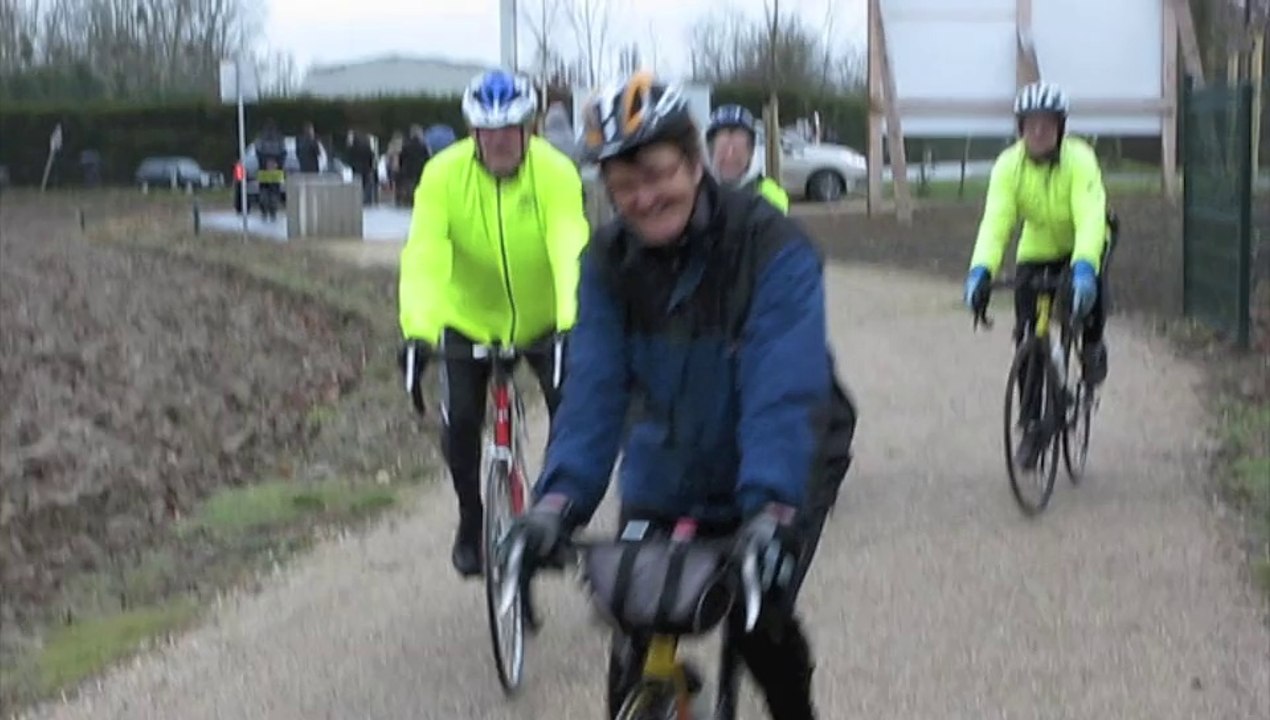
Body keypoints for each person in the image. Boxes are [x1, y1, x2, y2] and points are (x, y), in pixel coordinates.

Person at [512, 71, 855, 720]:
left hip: (789, 446)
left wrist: (771, 511)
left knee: (758, 619)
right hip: (670, 450)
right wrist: (556, 505)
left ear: (696, 164)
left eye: (658, 173)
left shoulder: (770, 246)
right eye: (624, 185)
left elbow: (780, 388)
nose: (644, 198)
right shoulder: (605, 263)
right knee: (635, 631)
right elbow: (592, 389)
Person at [397, 69, 589, 577]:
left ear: (530, 129)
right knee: (460, 420)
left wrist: (573, 321)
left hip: (544, 318)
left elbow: (569, 246)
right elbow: (425, 256)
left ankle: (555, 517)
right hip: (470, 320)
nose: (500, 140)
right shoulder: (442, 175)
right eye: (487, 130)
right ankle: (470, 517)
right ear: (472, 133)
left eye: (511, 129)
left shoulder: (555, 173)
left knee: (574, 416)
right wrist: (417, 331)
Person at [963, 81, 1112, 470]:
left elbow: (1090, 216)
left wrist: (1084, 269)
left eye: (1047, 124)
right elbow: (996, 223)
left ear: (1060, 127)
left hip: (1082, 240)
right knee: (1029, 336)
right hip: (1038, 248)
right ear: (1020, 128)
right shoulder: (1008, 167)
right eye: (1031, 124)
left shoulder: (1079, 159)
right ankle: (1031, 426)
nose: (1039, 131)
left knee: (1090, 295)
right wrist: (980, 270)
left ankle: (1093, 346)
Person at [706, 103, 789, 213]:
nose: (729, 155)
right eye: (723, 149)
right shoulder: (698, 195)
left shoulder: (770, 196)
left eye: (737, 150)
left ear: (751, 152)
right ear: (711, 152)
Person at [254, 119, 286, 221]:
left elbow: (258, 152)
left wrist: (265, 163)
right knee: (275, 191)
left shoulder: (261, 138)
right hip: (276, 170)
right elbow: (283, 152)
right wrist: (277, 164)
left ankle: (264, 211)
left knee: (264, 190)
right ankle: (273, 212)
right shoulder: (280, 138)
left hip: (263, 169)